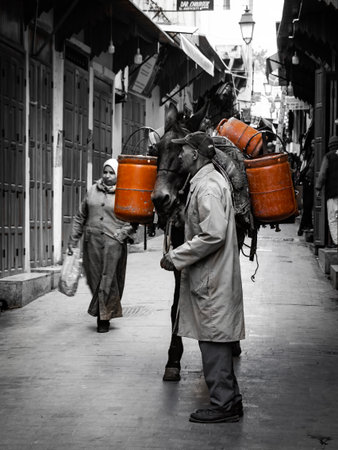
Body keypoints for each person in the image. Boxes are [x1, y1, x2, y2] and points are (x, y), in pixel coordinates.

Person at [160, 131, 245, 424]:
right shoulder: (203, 182)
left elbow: (213, 234)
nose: (180, 156)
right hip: (213, 277)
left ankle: (223, 404)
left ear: (196, 154)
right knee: (215, 337)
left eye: (183, 151)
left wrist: (176, 257)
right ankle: (231, 399)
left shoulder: (207, 186)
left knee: (214, 341)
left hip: (212, 279)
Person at [68, 158, 136, 333]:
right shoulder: (92, 191)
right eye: (105, 172)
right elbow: (80, 216)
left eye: (111, 172)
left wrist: (122, 233)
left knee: (110, 279)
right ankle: (103, 310)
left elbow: (133, 220)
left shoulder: (125, 192)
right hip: (92, 243)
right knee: (94, 279)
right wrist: (73, 240)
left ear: (118, 174)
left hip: (114, 243)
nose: (107, 176)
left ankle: (103, 317)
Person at [315, 136, 338, 246]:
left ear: (330, 146)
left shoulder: (328, 157)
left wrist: (318, 188)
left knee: (333, 218)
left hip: (332, 193)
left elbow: (322, 174)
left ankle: (337, 242)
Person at [298, 139, 315, 236]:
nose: (313, 145)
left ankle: (304, 227)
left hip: (309, 182)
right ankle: (304, 227)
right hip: (307, 182)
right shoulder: (310, 156)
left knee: (308, 206)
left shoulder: (313, 156)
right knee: (307, 206)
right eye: (312, 143)